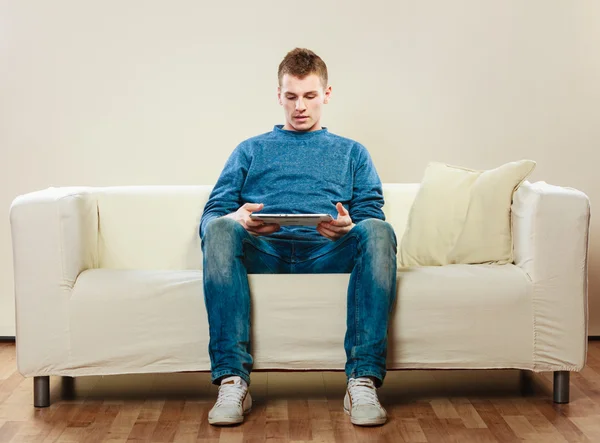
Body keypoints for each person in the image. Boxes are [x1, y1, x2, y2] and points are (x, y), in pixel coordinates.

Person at [199, 48, 397, 427]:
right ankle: (232, 380)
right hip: (265, 250)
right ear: (279, 96)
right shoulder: (250, 150)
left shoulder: (352, 152)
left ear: (326, 93)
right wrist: (237, 218)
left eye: (309, 96)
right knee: (221, 227)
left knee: (379, 231)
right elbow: (210, 218)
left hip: (328, 251)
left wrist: (349, 225)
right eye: (291, 97)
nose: (300, 106)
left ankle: (363, 380)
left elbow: (372, 215)